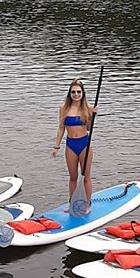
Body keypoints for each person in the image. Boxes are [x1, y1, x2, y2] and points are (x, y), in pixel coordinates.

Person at [51, 78, 97, 209]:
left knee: (86, 177)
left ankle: (87, 204)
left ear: (82, 93)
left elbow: (89, 128)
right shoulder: (64, 108)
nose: (76, 94)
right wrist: (56, 146)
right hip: (71, 145)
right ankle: (72, 204)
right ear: (69, 94)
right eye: (73, 92)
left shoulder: (87, 108)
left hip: (84, 144)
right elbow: (61, 128)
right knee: (73, 177)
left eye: (78, 92)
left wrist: (93, 116)